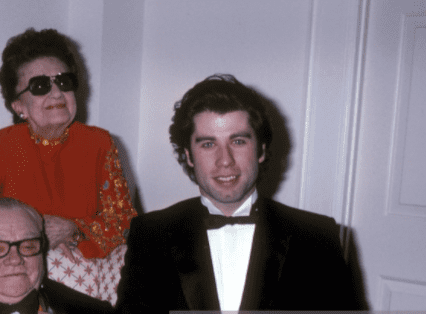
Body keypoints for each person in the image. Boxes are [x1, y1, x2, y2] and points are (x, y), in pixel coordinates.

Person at [115, 74, 361, 311]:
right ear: (189, 156)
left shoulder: (318, 239)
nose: (225, 160)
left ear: (261, 150)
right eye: (208, 144)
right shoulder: (150, 235)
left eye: (238, 141)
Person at [0, 28, 137, 259]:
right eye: (40, 86)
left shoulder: (100, 143)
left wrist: (74, 229)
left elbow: (126, 223)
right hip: (16, 263)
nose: (57, 93)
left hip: (82, 271)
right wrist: (32, 232)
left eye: (64, 81)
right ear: (19, 106)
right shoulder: (1, 146)